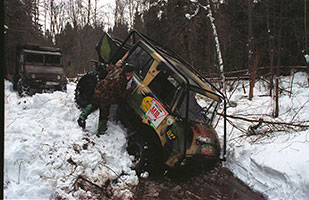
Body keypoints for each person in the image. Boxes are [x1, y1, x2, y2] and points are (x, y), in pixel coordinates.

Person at [77, 63, 135, 137]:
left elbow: (110, 67)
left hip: (99, 89)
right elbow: (121, 95)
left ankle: (82, 117)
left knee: (94, 104)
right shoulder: (121, 80)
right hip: (106, 96)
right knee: (104, 114)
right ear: (128, 73)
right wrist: (131, 88)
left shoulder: (117, 70)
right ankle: (101, 132)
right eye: (131, 72)